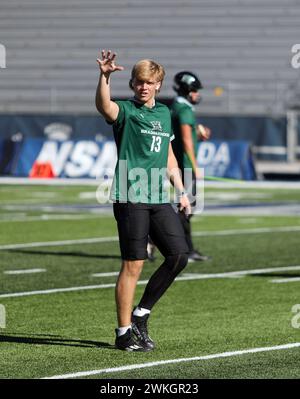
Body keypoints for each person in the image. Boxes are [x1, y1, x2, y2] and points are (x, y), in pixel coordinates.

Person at [95, 50, 191, 352]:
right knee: (133, 264)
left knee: (178, 256)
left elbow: (169, 156)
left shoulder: (164, 114)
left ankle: (141, 313)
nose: (143, 87)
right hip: (130, 195)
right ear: (133, 84)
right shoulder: (126, 111)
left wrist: (182, 190)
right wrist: (105, 77)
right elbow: (105, 107)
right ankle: (123, 333)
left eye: (149, 82)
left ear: (159, 84)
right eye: (138, 82)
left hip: (158, 196)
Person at [171, 71, 211, 263]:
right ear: (187, 90)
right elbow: (186, 141)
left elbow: (187, 135)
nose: (196, 94)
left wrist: (198, 132)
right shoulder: (185, 109)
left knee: (186, 208)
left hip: (179, 164)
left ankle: (184, 248)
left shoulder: (179, 106)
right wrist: (195, 168)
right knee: (187, 208)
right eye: (194, 90)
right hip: (184, 165)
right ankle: (157, 239)